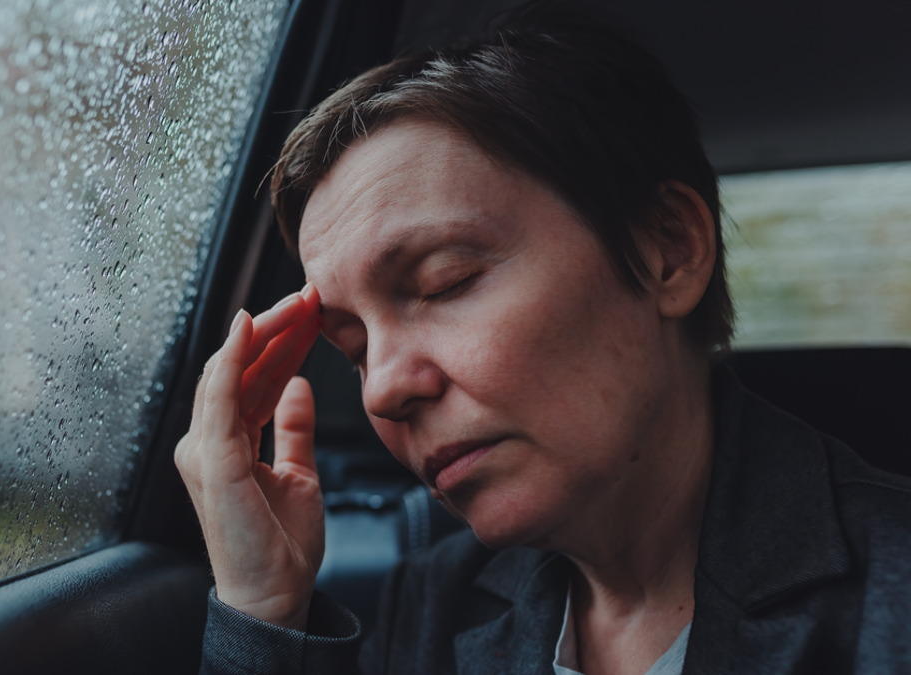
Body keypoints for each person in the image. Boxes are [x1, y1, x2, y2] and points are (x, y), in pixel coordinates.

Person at [174, 9, 911, 675]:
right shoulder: (431, 602)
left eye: (445, 281)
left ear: (668, 251)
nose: (383, 389)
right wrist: (263, 609)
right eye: (355, 347)